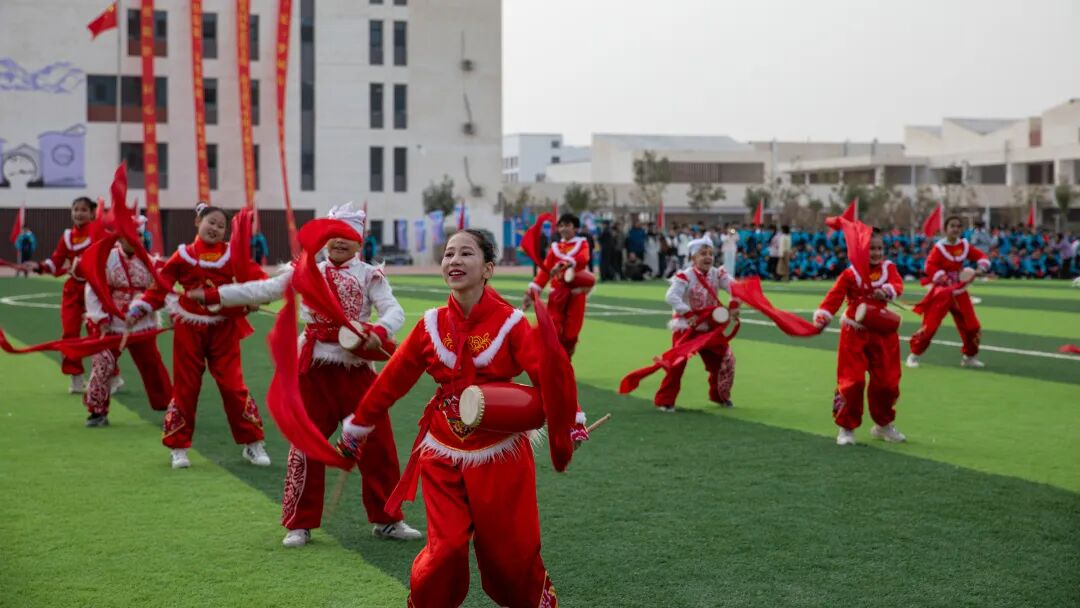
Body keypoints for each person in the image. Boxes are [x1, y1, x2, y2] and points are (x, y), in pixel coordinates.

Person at [338, 229, 589, 608]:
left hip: (500, 455)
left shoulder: (511, 324)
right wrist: (359, 424)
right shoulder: (430, 325)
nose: (454, 260)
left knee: (510, 554)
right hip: (442, 453)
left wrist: (571, 421)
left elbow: (547, 375)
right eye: (448, 254)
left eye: (466, 253)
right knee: (444, 551)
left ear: (488, 268)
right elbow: (392, 381)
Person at [189, 203, 420, 546]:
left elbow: (394, 311)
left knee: (379, 446)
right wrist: (214, 295)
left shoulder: (370, 275)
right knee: (306, 444)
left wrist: (380, 330)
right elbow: (264, 290)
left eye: (347, 235)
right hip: (313, 369)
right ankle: (300, 523)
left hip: (357, 371)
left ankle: (387, 519)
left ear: (360, 241)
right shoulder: (307, 271)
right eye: (333, 235)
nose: (339, 241)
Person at [127, 204, 272, 469]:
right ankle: (178, 447)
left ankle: (253, 443)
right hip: (189, 327)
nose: (215, 228)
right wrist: (140, 307)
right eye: (211, 222)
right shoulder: (183, 255)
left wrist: (257, 296)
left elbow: (257, 278)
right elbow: (161, 285)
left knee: (233, 386)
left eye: (221, 226)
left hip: (223, 327)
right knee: (186, 387)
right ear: (198, 222)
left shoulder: (232, 254)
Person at [813, 230, 906, 446]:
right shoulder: (849, 274)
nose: (876, 253)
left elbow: (897, 285)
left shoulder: (888, 269)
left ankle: (883, 425)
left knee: (887, 383)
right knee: (852, 382)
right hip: (854, 333)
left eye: (879, 248)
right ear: (859, 251)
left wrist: (887, 291)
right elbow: (834, 296)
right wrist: (823, 315)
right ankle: (846, 427)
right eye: (871, 248)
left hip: (882, 332)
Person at [81, 220, 173, 427]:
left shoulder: (151, 262)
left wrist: (171, 311)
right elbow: (93, 288)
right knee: (103, 363)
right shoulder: (107, 259)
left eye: (138, 235)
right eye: (130, 235)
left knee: (152, 365)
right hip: (111, 323)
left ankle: (169, 408)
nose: (135, 239)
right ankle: (97, 411)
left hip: (142, 323)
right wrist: (100, 318)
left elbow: (162, 290)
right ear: (119, 238)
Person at [653, 237, 738, 412]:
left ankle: (720, 396)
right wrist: (687, 313)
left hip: (709, 330)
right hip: (687, 328)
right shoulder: (685, 276)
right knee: (677, 365)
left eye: (710, 254)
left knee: (725, 360)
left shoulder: (717, 274)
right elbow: (671, 296)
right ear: (693, 258)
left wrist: (734, 304)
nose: (708, 257)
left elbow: (735, 288)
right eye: (703, 254)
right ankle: (665, 401)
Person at [907, 216, 990, 369]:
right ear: (945, 229)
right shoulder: (939, 248)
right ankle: (913, 355)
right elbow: (929, 266)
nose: (955, 229)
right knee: (930, 327)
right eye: (952, 226)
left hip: (959, 291)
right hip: (942, 292)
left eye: (958, 226)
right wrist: (943, 277)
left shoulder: (964, 245)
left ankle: (969, 357)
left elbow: (981, 256)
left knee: (972, 326)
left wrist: (980, 268)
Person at [36, 196, 99, 393]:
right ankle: (76, 378)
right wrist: (39, 267)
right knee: (70, 332)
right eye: (75, 209)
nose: (79, 213)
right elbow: (56, 261)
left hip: (95, 290)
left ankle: (108, 376)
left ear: (92, 213)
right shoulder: (67, 236)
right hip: (72, 291)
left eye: (83, 210)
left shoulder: (97, 233)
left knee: (98, 333)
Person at [524, 213, 592, 358]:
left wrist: (563, 264)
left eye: (567, 225)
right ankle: (552, 360)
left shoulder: (582, 244)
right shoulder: (555, 248)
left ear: (575, 228)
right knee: (553, 327)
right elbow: (545, 273)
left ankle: (565, 361)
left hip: (575, 294)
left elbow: (583, 259)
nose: (563, 229)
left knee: (571, 333)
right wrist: (532, 292)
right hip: (557, 295)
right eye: (560, 226)